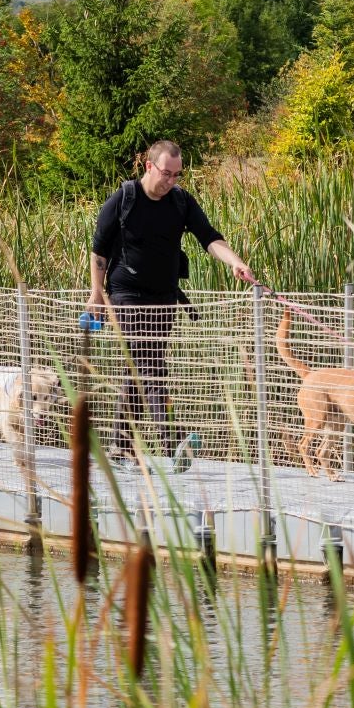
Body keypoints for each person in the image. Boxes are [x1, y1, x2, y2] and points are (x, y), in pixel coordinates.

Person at [88, 140, 255, 465]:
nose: (172, 181)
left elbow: (209, 236)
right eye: (167, 173)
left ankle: (120, 445)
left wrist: (234, 261)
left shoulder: (180, 201)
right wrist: (97, 293)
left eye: (177, 175)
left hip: (164, 297)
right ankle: (172, 440)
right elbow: (99, 250)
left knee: (137, 368)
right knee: (151, 365)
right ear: (149, 167)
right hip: (125, 295)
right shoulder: (124, 199)